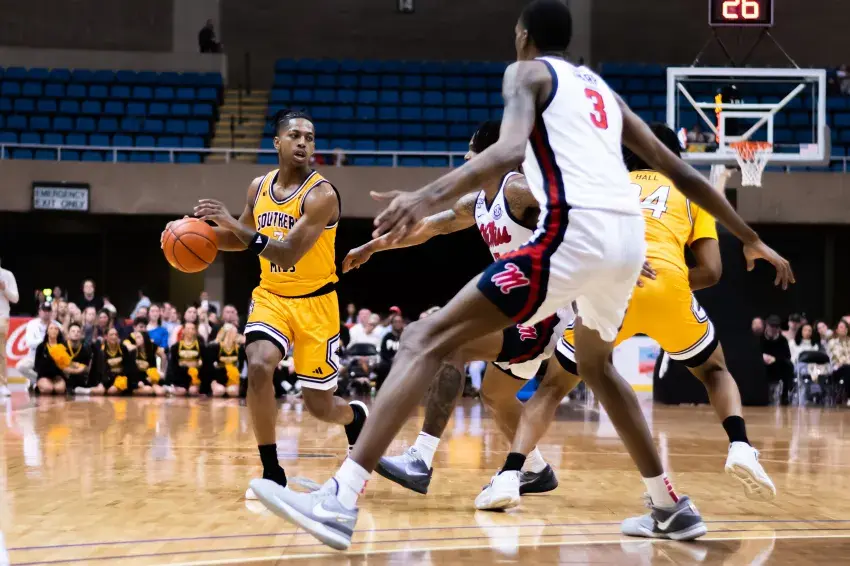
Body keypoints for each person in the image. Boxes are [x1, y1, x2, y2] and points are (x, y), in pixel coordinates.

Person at [249, 0, 793, 550]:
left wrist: (424, 194)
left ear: (523, 35)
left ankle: (341, 499)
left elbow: (508, 149)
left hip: (575, 237)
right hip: (628, 243)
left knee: (424, 337)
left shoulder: (527, 73)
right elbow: (680, 171)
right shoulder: (603, 92)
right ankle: (670, 506)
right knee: (598, 368)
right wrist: (748, 236)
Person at [481, 123, 779, 511]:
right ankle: (740, 444)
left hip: (612, 286)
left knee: (552, 388)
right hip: (669, 285)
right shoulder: (691, 193)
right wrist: (669, 278)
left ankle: (510, 474)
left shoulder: (610, 186)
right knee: (714, 371)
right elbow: (712, 272)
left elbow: (576, 236)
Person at [344, 120, 574, 496]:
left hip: (547, 311)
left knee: (449, 342)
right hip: (519, 309)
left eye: (470, 153)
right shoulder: (477, 202)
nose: (465, 160)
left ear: (490, 155)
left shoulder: (517, 189)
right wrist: (372, 247)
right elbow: (427, 228)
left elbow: (572, 202)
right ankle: (536, 469)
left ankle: (420, 457)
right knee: (496, 395)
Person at [172, 108, 368, 501]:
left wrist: (230, 221)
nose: (303, 143)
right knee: (259, 366)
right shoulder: (258, 187)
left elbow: (287, 251)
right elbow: (239, 238)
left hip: (316, 304)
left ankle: (354, 417)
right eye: (295, 135)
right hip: (272, 297)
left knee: (319, 406)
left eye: (309, 137)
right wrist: (191, 233)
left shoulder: (322, 195)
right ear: (277, 142)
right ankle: (272, 470)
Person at [16, 303, 60, 388]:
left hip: (52, 357)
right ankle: (39, 380)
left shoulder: (57, 325)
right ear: (39, 312)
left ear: (51, 312)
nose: (46, 313)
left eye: (48, 311)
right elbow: (30, 343)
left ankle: (42, 382)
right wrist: (47, 341)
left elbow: (60, 343)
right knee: (20, 366)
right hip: (34, 356)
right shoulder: (32, 324)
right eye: (44, 310)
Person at [123, 318, 163, 396]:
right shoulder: (132, 352)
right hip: (135, 381)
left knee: (160, 391)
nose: (136, 339)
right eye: (136, 337)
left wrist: (155, 376)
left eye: (139, 337)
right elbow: (129, 371)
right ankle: (133, 392)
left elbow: (153, 367)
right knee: (149, 390)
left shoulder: (150, 351)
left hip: (146, 378)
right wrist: (137, 383)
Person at [164, 320, 204, 396]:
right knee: (181, 392)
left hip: (195, 375)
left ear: (195, 331)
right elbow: (172, 365)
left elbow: (204, 363)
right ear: (183, 330)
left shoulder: (201, 346)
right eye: (188, 329)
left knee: (193, 391)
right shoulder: (175, 347)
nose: (190, 331)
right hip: (180, 375)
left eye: (192, 329)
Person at [96, 327, 139, 396]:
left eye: (116, 334)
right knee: (99, 391)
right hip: (107, 378)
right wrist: (103, 382)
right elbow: (101, 370)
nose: (114, 337)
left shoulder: (123, 348)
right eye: (111, 335)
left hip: (121, 378)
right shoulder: (101, 350)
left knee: (112, 391)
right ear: (106, 337)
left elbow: (128, 367)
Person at [762, 315, 794, 405]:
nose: (774, 329)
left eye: (776, 326)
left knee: (788, 365)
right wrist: (762, 357)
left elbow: (787, 356)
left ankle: (785, 396)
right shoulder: (760, 338)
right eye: (772, 326)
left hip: (778, 366)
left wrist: (775, 359)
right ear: (767, 325)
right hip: (762, 366)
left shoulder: (782, 340)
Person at [206, 323, 245, 397]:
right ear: (227, 333)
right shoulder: (215, 347)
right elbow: (209, 366)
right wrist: (213, 381)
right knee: (219, 391)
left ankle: (227, 390)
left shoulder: (240, 349)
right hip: (218, 377)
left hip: (233, 377)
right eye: (234, 333)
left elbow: (241, 366)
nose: (237, 335)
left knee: (232, 392)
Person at [0, 258, 19, 397]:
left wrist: (4, 288)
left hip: (1, 316)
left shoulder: (7, 275)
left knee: (0, 352)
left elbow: (15, 298)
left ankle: (2, 385)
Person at [63, 323, 99, 396]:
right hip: (64, 378)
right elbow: (62, 368)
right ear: (68, 334)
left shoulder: (87, 348)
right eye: (73, 331)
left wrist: (71, 366)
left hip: (80, 378)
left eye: (78, 331)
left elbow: (86, 369)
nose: (76, 333)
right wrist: (76, 366)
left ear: (81, 335)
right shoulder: (62, 347)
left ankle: (77, 390)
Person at [34, 325, 69, 395]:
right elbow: (37, 365)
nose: (53, 330)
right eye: (51, 328)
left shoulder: (63, 346)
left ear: (58, 332)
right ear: (47, 331)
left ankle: (57, 385)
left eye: (56, 329)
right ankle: (37, 386)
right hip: (44, 375)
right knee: (48, 389)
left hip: (58, 375)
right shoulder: (41, 347)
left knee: (60, 389)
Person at [376, 314, 404, 391]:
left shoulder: (406, 336)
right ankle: (380, 390)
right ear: (392, 324)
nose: (398, 323)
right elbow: (383, 352)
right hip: (389, 361)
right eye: (396, 321)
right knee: (382, 366)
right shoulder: (387, 337)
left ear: (402, 323)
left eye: (399, 321)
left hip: (403, 361)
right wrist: (392, 360)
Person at [827, 320, 850, 404]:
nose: (844, 329)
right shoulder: (832, 342)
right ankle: (848, 396)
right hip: (836, 369)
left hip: (847, 367)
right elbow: (835, 358)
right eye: (841, 327)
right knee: (847, 368)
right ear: (836, 330)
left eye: (846, 327)